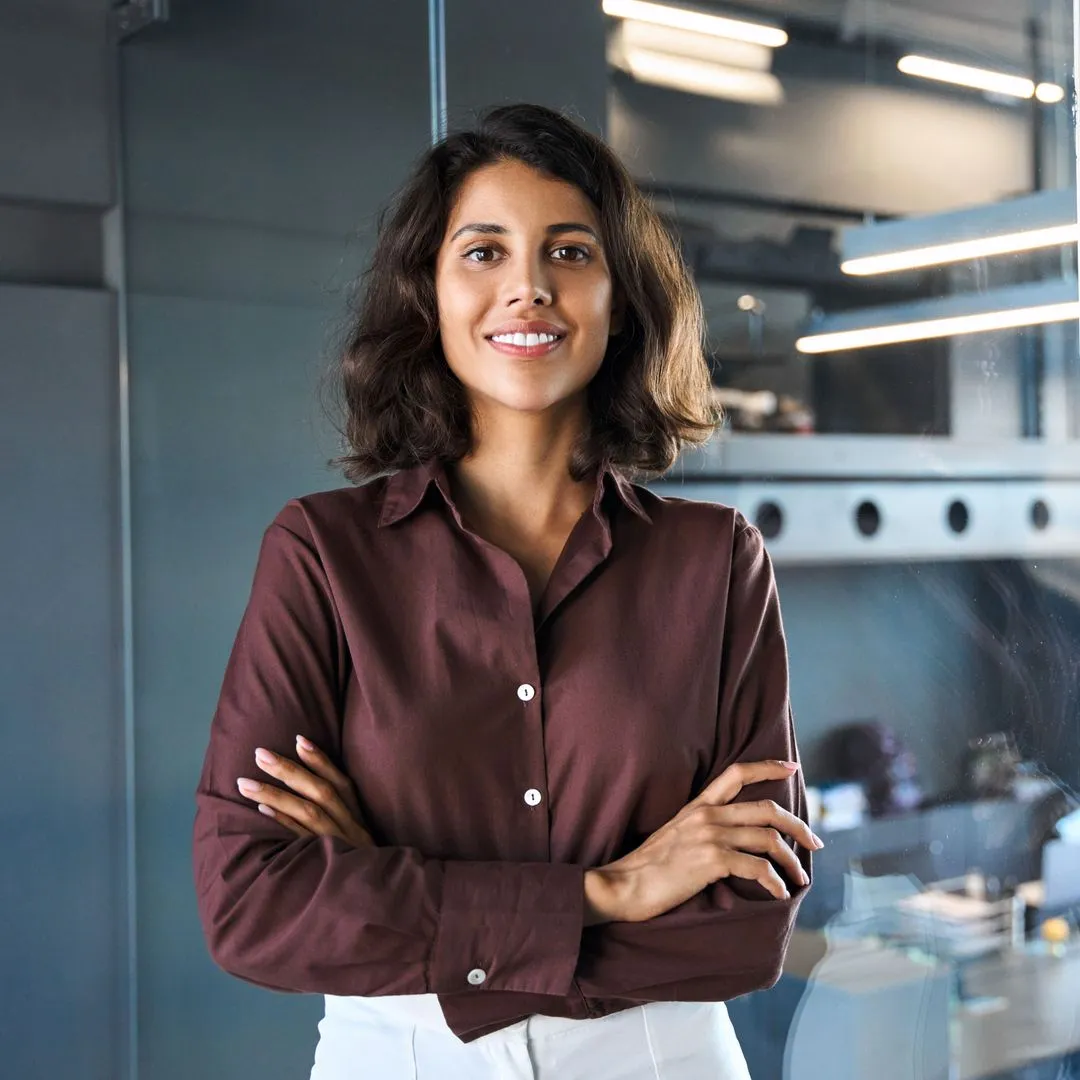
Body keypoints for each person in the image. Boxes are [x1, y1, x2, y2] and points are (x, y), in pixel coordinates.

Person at [193, 102, 820, 1080]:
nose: (528, 287)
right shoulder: (321, 553)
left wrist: (396, 886)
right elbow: (250, 905)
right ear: (428, 294)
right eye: (484, 253)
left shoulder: (717, 562)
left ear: (621, 299)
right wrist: (613, 890)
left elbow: (744, 930)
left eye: (569, 253)